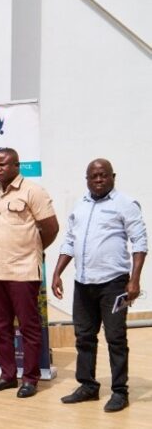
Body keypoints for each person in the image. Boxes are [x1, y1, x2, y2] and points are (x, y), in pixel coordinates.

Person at [52, 159, 147, 412]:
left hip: (114, 285)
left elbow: (139, 242)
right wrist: (57, 273)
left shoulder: (126, 204)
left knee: (116, 338)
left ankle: (120, 391)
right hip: (83, 283)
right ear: (87, 179)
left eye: (103, 175)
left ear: (113, 176)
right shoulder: (80, 205)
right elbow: (69, 241)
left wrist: (134, 279)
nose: (98, 180)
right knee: (84, 336)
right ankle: (88, 386)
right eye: (93, 176)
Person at [0, 148, 59, 398]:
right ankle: (7, 375)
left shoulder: (33, 191)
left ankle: (30, 378)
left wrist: (34, 250)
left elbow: (51, 228)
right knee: (1, 327)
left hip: (23, 271)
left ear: (17, 165)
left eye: (3, 164)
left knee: (29, 328)